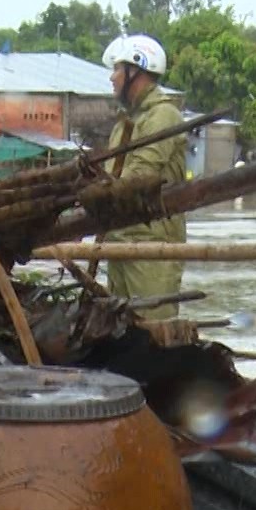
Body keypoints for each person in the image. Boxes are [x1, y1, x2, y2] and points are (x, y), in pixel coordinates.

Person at [100, 34, 188, 321]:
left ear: (135, 70)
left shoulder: (163, 116)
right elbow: (109, 177)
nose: (112, 78)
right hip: (120, 240)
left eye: (117, 69)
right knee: (120, 335)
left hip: (151, 246)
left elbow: (139, 174)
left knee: (154, 332)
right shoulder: (125, 123)